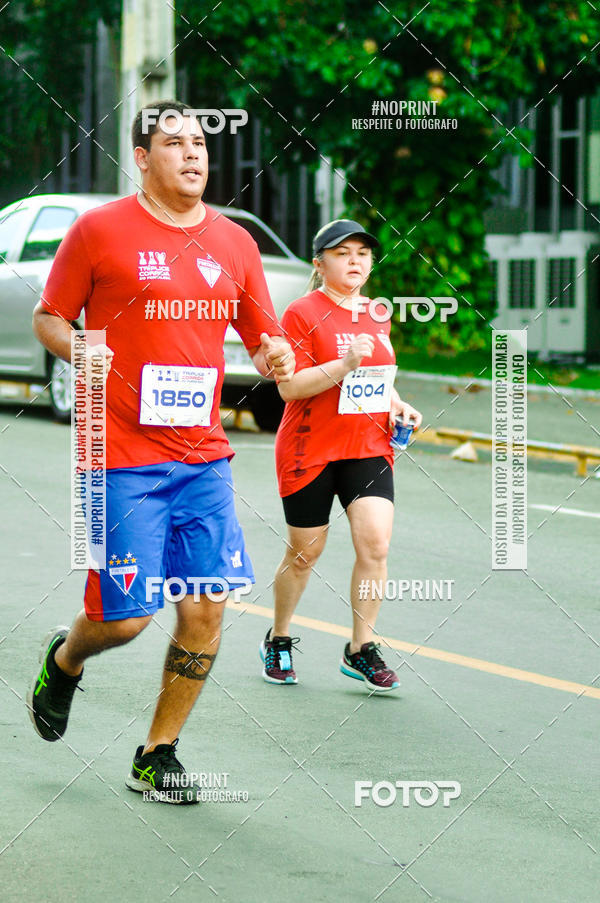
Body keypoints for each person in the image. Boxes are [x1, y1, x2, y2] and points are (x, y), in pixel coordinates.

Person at [28, 99, 294, 804]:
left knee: (206, 607)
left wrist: (274, 349)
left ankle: (158, 751)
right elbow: (49, 316)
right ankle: (67, 658)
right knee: (126, 617)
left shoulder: (234, 243)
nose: (192, 153)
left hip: (203, 456)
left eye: (200, 143)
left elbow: (266, 332)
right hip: (118, 456)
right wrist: (81, 345)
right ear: (142, 158)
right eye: (173, 142)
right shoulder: (99, 231)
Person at [260, 219, 422, 692]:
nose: (355, 261)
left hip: (367, 446)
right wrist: (343, 363)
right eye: (342, 253)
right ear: (319, 263)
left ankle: (360, 648)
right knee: (305, 552)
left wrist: (397, 404)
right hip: (310, 446)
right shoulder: (300, 313)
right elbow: (290, 389)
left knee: (375, 545)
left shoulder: (377, 312)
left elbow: (379, 380)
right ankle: (280, 636)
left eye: (363, 254)